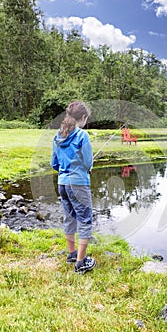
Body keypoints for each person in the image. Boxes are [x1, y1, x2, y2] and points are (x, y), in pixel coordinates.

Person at [51, 101, 95, 274]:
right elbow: (88, 163)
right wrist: (83, 169)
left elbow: (54, 163)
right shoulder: (82, 135)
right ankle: (81, 262)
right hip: (78, 184)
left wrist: (65, 172)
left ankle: (72, 254)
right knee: (85, 219)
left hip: (62, 183)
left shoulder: (58, 135)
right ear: (82, 118)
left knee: (70, 218)